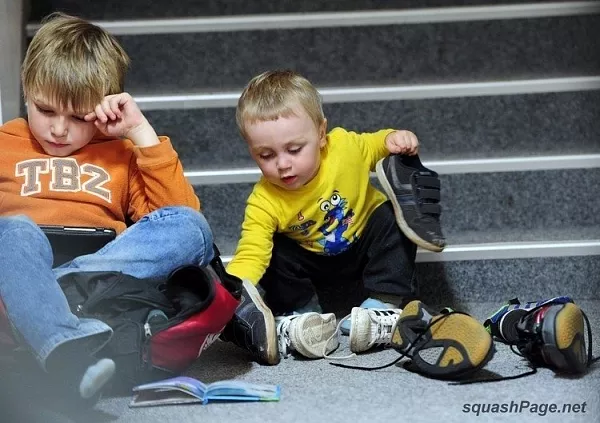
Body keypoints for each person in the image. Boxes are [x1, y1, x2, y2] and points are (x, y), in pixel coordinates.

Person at [0, 13, 216, 405]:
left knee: (193, 228)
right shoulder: (5, 144)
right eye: (46, 111)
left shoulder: (120, 154)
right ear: (26, 91)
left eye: (80, 117)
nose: (59, 130)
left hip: (99, 278)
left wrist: (141, 135)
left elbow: (176, 220)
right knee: (15, 233)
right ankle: (53, 325)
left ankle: (50, 303)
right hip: (15, 268)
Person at [223, 70, 492, 369]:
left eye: (294, 149)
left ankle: (385, 302)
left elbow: (377, 144)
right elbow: (252, 252)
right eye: (265, 155)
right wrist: (233, 288)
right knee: (275, 249)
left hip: (363, 243)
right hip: (311, 261)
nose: (283, 164)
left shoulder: (344, 148)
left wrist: (395, 138)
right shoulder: (263, 201)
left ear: (321, 134)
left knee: (391, 216)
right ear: (251, 151)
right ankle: (303, 317)